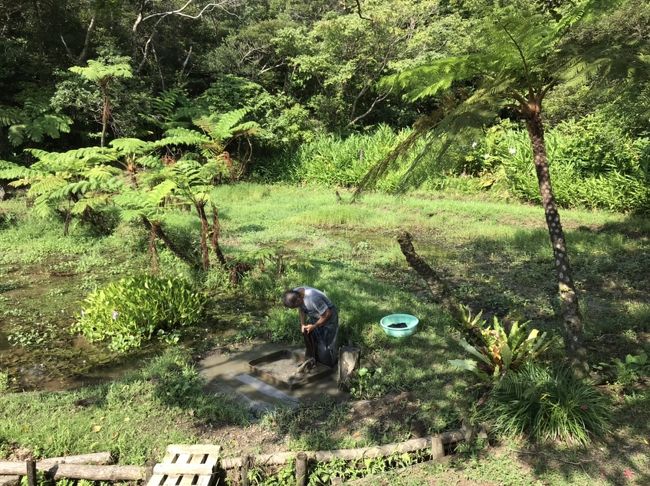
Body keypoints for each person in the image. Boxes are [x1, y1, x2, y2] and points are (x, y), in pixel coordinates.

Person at [282, 286, 338, 368]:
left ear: (299, 299)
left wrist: (314, 326)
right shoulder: (295, 293)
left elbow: (327, 314)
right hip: (316, 315)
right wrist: (302, 324)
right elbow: (301, 309)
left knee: (326, 346)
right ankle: (314, 362)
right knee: (314, 341)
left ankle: (329, 367)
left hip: (329, 318)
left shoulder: (312, 298)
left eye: (296, 306)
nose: (297, 307)